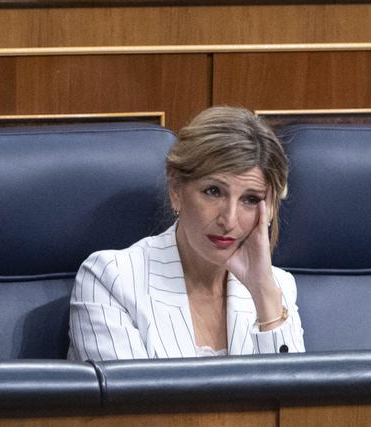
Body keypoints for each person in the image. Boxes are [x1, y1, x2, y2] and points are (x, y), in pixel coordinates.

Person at [68, 106, 304, 360]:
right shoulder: (111, 279)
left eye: (250, 199)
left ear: (268, 210)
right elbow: (131, 399)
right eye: (213, 191)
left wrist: (264, 294)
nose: (229, 219)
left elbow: (291, 397)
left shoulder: (278, 287)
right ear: (176, 190)